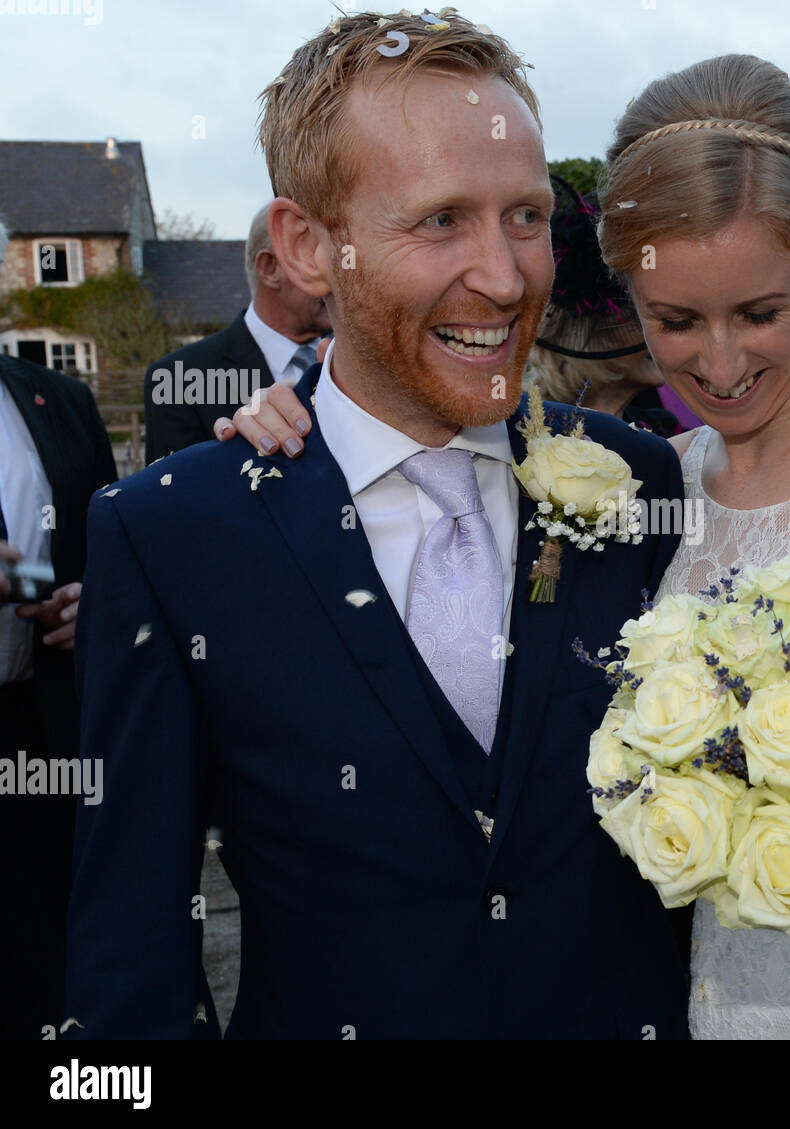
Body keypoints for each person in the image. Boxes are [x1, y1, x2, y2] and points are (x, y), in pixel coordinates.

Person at [230, 52, 790, 1040]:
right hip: (726, 996)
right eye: (674, 320)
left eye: (759, 313)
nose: (718, 362)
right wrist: (301, 418)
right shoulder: (643, 486)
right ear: (628, 294)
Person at [64, 12, 688, 1039]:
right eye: (441, 220)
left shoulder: (637, 483)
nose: (503, 276)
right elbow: (130, 960)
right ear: (307, 245)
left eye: (525, 216)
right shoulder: (171, 536)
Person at [0, 215, 118, 1039]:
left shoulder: (60, 397)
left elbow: (103, 548)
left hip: (43, 724)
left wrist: (88, 597)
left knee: (44, 947)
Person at [143, 202, 331, 462]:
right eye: (317, 257)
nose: (338, 277)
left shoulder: (352, 361)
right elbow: (171, 498)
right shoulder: (179, 379)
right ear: (269, 268)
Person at [524, 177, 676, 435]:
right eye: (635, 313)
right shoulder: (520, 431)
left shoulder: (664, 432)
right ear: (582, 335)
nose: (659, 329)